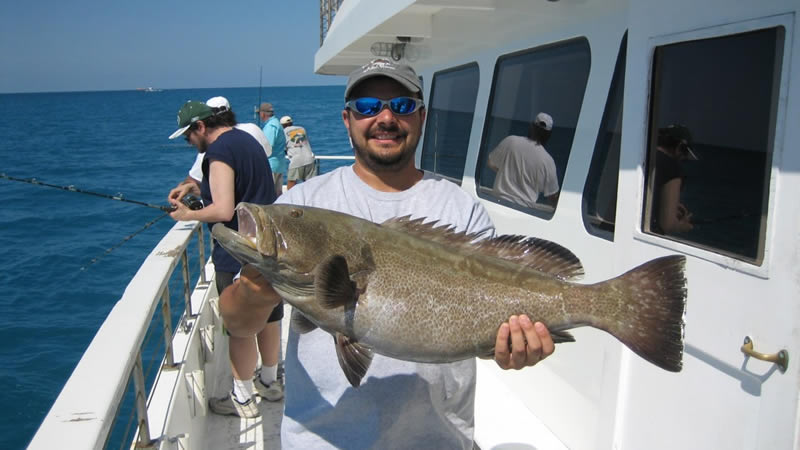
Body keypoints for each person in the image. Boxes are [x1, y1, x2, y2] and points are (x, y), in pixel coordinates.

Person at [220, 59, 555, 448]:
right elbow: (240, 325)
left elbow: (479, 327)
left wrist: (512, 348)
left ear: (421, 117)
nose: (384, 117)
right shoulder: (305, 200)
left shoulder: (462, 211)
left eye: (401, 106)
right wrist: (256, 288)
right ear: (347, 120)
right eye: (366, 107)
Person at [165, 100, 282, 418]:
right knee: (270, 317)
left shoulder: (216, 152)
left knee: (240, 327)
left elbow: (223, 209)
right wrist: (192, 186)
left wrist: (188, 212)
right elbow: (241, 186)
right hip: (269, 245)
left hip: (238, 252)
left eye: (189, 135)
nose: (190, 142)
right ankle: (270, 382)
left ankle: (243, 400)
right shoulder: (247, 139)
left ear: (200, 127)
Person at [182, 97, 273, 187]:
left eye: (188, 137)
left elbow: (193, 180)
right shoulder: (253, 129)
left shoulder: (213, 148)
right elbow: (268, 152)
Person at [487, 112, 560, 208]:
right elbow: (552, 195)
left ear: (532, 126)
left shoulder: (511, 141)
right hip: (524, 211)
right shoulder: (548, 161)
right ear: (549, 135)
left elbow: (490, 162)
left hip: (497, 203)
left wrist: (507, 173)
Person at [651, 124, 697, 234]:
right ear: (680, 146)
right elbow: (667, 226)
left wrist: (668, 205)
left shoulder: (643, 157)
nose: (683, 158)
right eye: (685, 153)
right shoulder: (672, 168)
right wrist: (682, 227)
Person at [280, 115, 317, 189]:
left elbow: (283, 147)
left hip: (296, 160)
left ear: (282, 125)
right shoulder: (302, 129)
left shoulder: (282, 132)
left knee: (291, 182)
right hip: (309, 158)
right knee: (311, 184)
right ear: (292, 123)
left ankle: (290, 199)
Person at [259, 102, 287, 191]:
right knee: (277, 193)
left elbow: (267, 147)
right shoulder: (277, 123)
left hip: (271, 165)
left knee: (269, 193)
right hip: (279, 164)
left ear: (263, 114)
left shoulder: (270, 126)